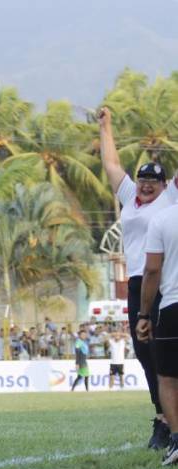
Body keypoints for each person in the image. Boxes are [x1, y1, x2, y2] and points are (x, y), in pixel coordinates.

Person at [100, 106, 178, 448]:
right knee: (146, 353)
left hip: (164, 282)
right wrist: (106, 127)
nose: (146, 185)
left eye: (153, 182)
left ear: (165, 185)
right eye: (143, 180)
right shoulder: (130, 199)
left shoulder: (171, 198)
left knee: (167, 353)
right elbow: (112, 166)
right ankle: (162, 419)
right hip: (136, 281)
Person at [137, 200, 178, 464]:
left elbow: (152, 270)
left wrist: (143, 314)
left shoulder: (162, 219)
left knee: (168, 379)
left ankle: (177, 439)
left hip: (173, 306)